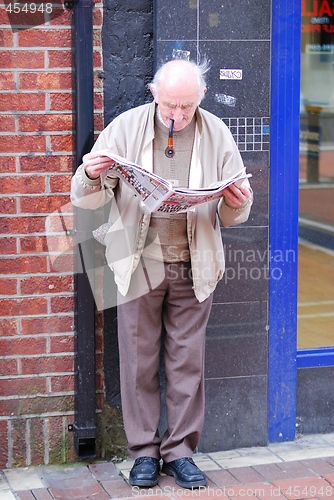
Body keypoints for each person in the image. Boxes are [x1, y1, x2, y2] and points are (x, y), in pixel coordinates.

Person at [70, 59, 253, 489]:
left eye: (186, 107)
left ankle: (180, 453)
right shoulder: (126, 127)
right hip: (137, 262)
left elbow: (233, 214)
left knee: (187, 362)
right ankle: (144, 454)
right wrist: (92, 173)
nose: (177, 115)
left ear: (201, 98)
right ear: (154, 94)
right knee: (138, 361)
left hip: (196, 263)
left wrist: (237, 199)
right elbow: (86, 197)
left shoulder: (218, 134)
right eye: (170, 105)